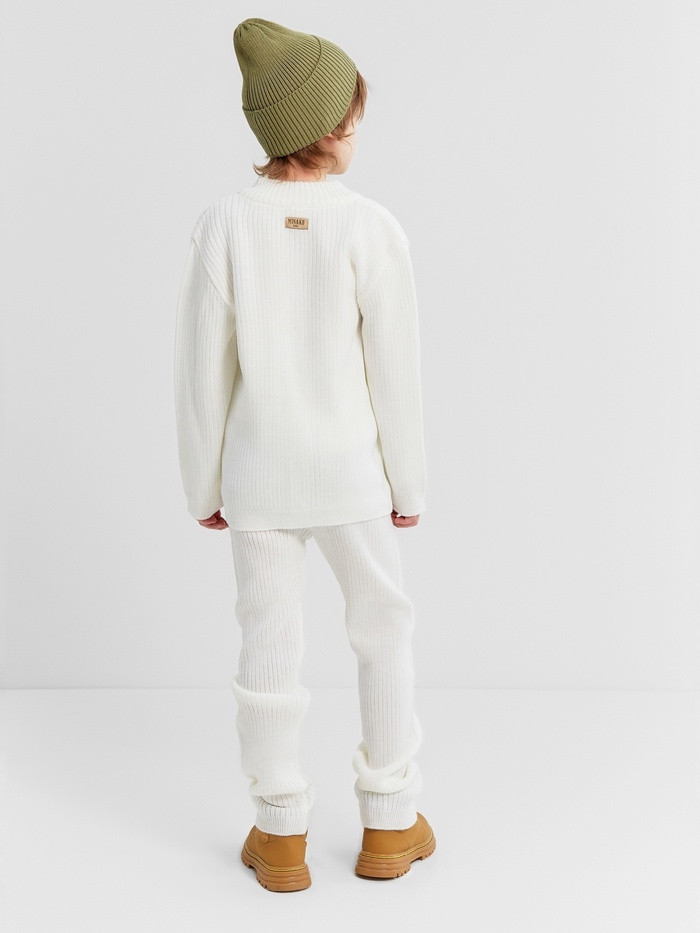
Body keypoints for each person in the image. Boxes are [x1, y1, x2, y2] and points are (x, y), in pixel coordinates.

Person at [174, 17, 435, 892]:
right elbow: (396, 372)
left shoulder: (224, 225)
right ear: (325, 126)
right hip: (352, 476)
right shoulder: (370, 227)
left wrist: (203, 484)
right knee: (383, 630)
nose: (360, 128)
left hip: (258, 479)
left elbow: (200, 373)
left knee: (268, 644)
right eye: (353, 115)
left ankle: (280, 830)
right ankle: (389, 818)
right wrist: (408, 483)